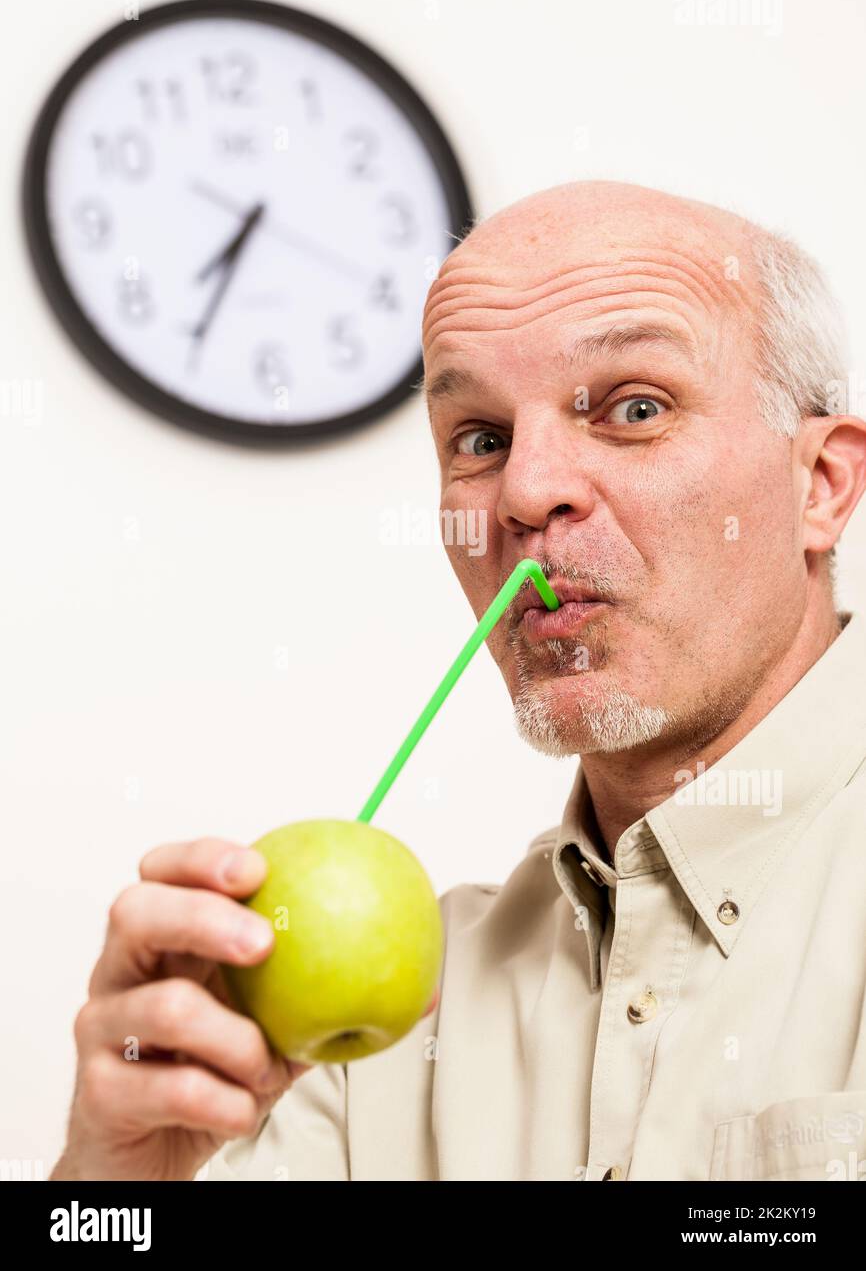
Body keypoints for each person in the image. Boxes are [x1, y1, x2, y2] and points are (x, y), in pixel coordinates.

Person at [51, 180, 866, 1182]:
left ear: (817, 486)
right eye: (478, 439)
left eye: (633, 408)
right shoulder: (390, 1030)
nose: (522, 493)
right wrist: (114, 1179)